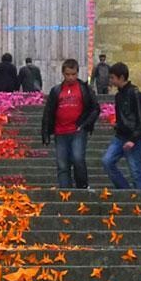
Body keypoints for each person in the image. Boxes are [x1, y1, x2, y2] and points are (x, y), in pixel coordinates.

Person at [102, 62, 141, 191]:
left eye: (113, 77)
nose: (111, 81)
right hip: (121, 135)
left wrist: (133, 139)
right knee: (107, 161)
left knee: (135, 171)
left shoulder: (134, 94)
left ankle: (140, 198)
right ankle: (125, 190)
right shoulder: (119, 96)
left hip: (134, 137)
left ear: (121, 78)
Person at [41, 58, 101, 188]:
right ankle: (65, 191)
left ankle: (82, 187)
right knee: (62, 164)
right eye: (68, 74)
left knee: (78, 159)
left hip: (77, 130)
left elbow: (95, 108)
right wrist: (45, 133)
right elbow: (48, 111)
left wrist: (85, 125)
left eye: (73, 74)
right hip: (60, 131)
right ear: (63, 74)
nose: (70, 77)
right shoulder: (56, 90)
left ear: (77, 73)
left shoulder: (84, 89)